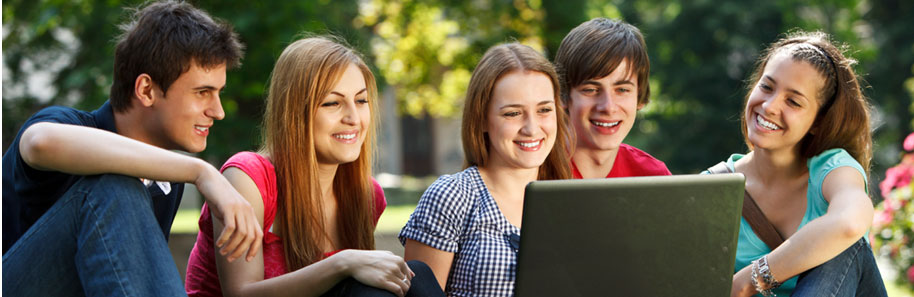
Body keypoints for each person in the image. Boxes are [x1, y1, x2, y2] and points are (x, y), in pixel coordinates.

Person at [1, 1, 261, 296]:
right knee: (115, 186)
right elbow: (40, 142)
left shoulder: (164, 183)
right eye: (203, 93)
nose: (218, 111)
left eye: (218, 93)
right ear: (146, 90)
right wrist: (202, 172)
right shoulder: (69, 124)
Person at [185, 36, 443, 297]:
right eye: (333, 103)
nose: (353, 118)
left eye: (361, 101)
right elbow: (240, 294)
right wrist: (343, 262)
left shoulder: (365, 195)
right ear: (295, 112)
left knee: (417, 275)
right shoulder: (248, 178)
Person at [711, 31, 887, 297]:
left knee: (841, 244)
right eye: (767, 87)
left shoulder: (834, 170)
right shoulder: (714, 188)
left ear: (818, 121)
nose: (769, 106)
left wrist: (750, 278)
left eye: (793, 101)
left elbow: (850, 222)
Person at [399, 43, 573, 296]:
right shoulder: (452, 196)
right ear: (481, 118)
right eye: (513, 113)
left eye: (544, 110)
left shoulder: (570, 201)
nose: (532, 128)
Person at [554, 18, 671, 179]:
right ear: (563, 96)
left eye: (622, 90)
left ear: (639, 96)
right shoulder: (532, 173)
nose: (608, 106)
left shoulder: (653, 176)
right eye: (591, 90)